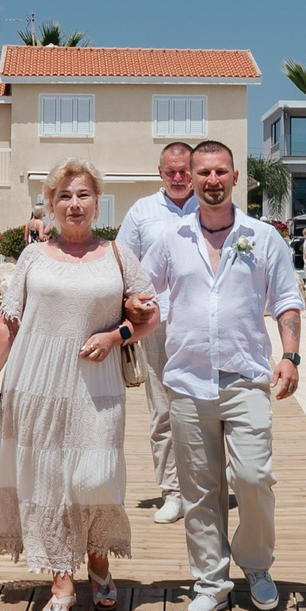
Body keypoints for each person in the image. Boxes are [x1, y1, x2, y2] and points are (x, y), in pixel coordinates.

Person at [0, 161, 158, 611]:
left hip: (96, 387)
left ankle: (98, 556)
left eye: (83, 195)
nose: (74, 204)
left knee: (95, 474)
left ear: (97, 201)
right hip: (34, 383)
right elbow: (9, 321)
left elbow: (150, 317)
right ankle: (61, 577)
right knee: (49, 479)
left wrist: (116, 336)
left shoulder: (118, 255)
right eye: (65, 196)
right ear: (52, 204)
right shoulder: (33, 257)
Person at [136, 139, 303, 611]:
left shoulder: (262, 236)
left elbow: (287, 300)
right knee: (200, 488)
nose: (211, 180)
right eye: (202, 172)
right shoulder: (172, 239)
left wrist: (290, 356)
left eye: (219, 172)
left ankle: (256, 566)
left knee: (253, 478)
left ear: (235, 177)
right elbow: (145, 294)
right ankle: (210, 579)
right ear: (189, 176)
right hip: (187, 382)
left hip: (245, 377)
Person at [116, 142, 200, 525]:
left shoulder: (213, 207)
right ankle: (172, 491)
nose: (179, 178)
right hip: (157, 327)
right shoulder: (142, 212)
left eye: (185, 171)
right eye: (172, 171)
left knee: (207, 408)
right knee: (162, 411)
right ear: (160, 171)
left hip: (206, 328)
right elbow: (121, 263)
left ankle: (204, 488)